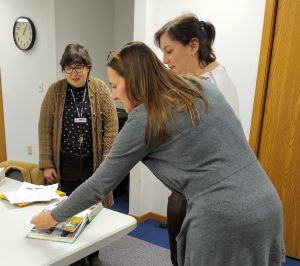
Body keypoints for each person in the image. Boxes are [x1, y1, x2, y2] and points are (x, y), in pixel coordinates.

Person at [32, 42, 285, 266]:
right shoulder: (199, 85)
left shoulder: (144, 119)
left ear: (135, 81)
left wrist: (54, 216)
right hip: (267, 205)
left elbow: (100, 184)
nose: (114, 95)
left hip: (222, 218)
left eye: (116, 86)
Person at [154, 13, 240, 265]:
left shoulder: (216, 84)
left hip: (210, 192)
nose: (165, 60)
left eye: (169, 51)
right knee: (179, 255)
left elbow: (225, 145)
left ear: (193, 46)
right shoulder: (191, 81)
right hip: (186, 187)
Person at [38, 43, 118, 266]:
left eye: (79, 67)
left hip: (94, 163)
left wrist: (107, 163)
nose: (74, 73)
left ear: (88, 67)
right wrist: (47, 164)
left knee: (93, 208)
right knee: (66, 208)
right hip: (65, 163)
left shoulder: (100, 89)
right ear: (63, 70)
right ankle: (71, 254)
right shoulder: (55, 91)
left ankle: (92, 254)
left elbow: (111, 128)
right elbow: (45, 127)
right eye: (68, 68)